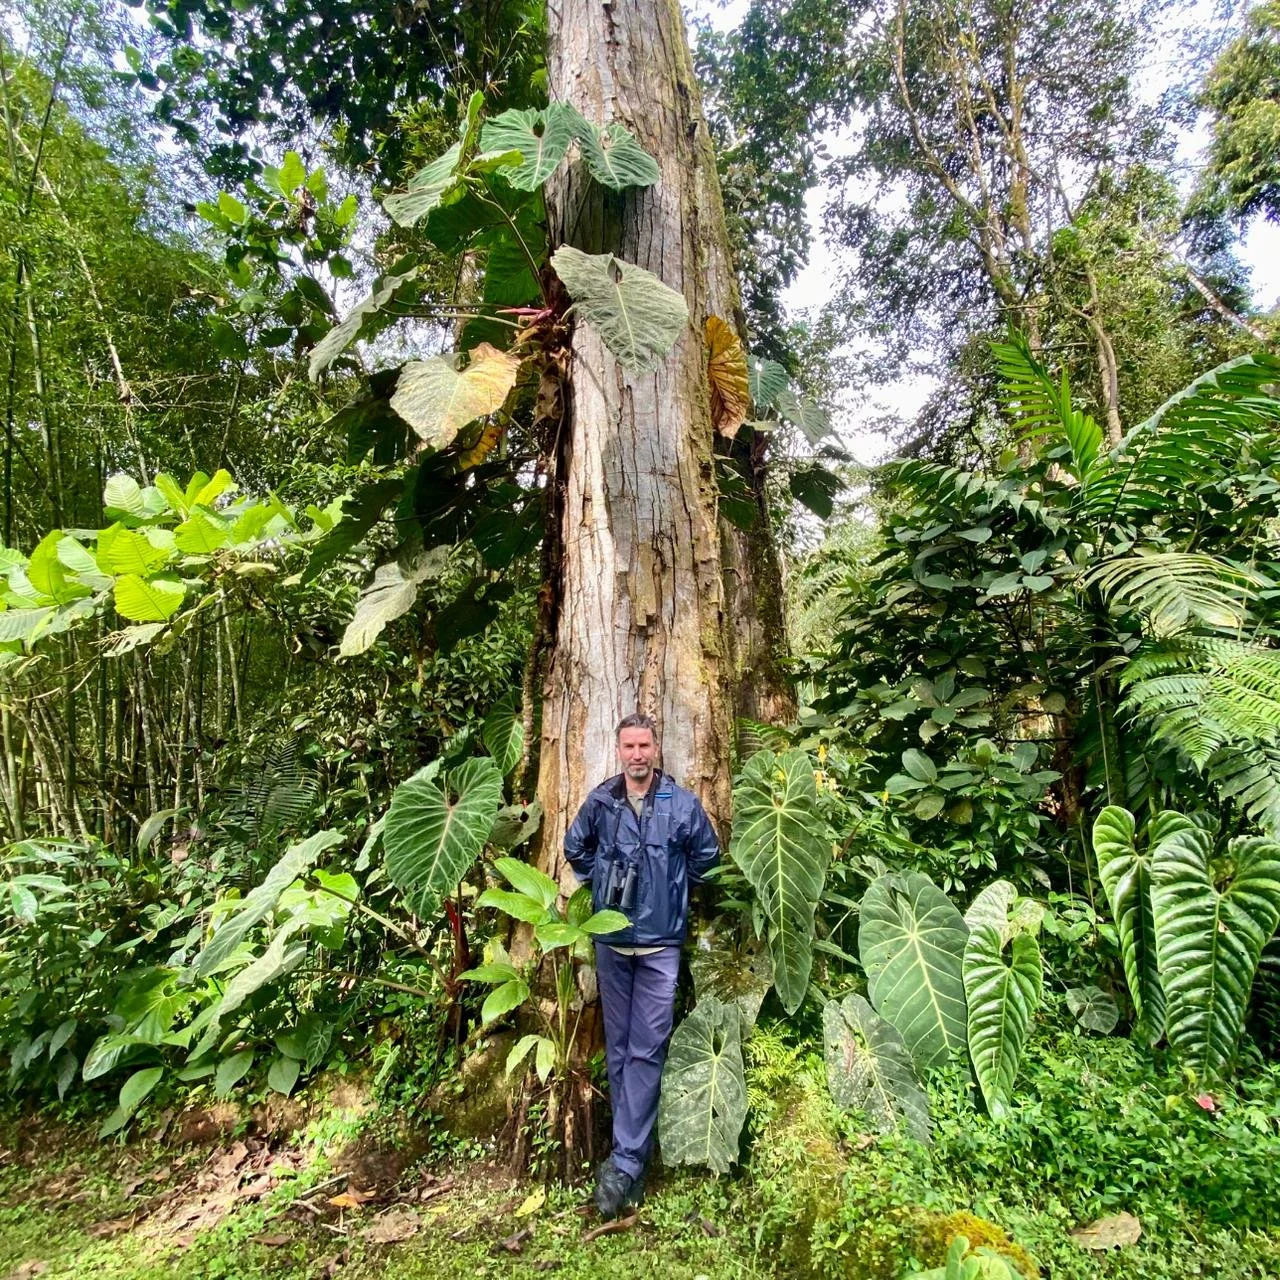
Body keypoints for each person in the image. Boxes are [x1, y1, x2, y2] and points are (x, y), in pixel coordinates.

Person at [564, 712, 720, 1219]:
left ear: (656, 749)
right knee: (620, 1051)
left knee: (647, 1051)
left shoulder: (680, 804)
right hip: (612, 943)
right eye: (629, 746)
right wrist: (602, 879)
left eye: (644, 745)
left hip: (658, 947)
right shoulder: (603, 801)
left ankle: (626, 1164)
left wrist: (671, 891)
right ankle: (628, 1159)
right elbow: (574, 847)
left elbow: (707, 857)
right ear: (619, 750)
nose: (636, 754)